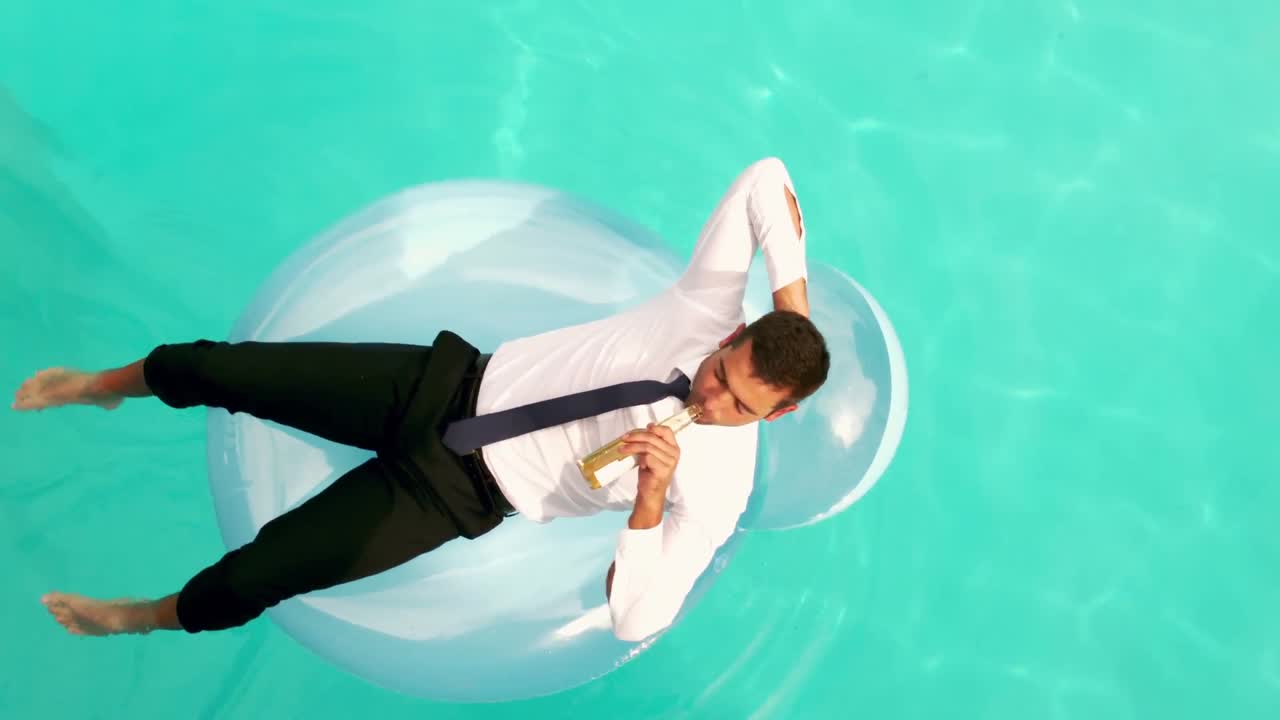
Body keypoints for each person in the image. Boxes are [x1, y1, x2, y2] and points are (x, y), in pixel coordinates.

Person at [14, 156, 830, 643]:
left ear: (776, 417)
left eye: (740, 406)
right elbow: (766, 178)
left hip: (446, 497)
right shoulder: (705, 311)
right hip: (436, 385)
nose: (712, 394)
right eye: (725, 371)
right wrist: (794, 313)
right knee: (219, 368)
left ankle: (144, 617)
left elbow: (638, 620)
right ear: (736, 336)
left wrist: (650, 499)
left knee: (258, 576)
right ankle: (103, 388)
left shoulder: (714, 486)